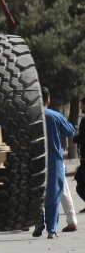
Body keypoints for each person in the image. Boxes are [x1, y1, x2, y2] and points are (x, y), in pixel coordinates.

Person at [34, 86, 76, 238]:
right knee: (54, 194)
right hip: (53, 161)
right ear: (48, 99)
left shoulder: (30, 116)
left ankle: (39, 220)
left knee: (36, 194)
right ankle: (51, 230)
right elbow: (70, 131)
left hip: (34, 160)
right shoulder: (54, 116)